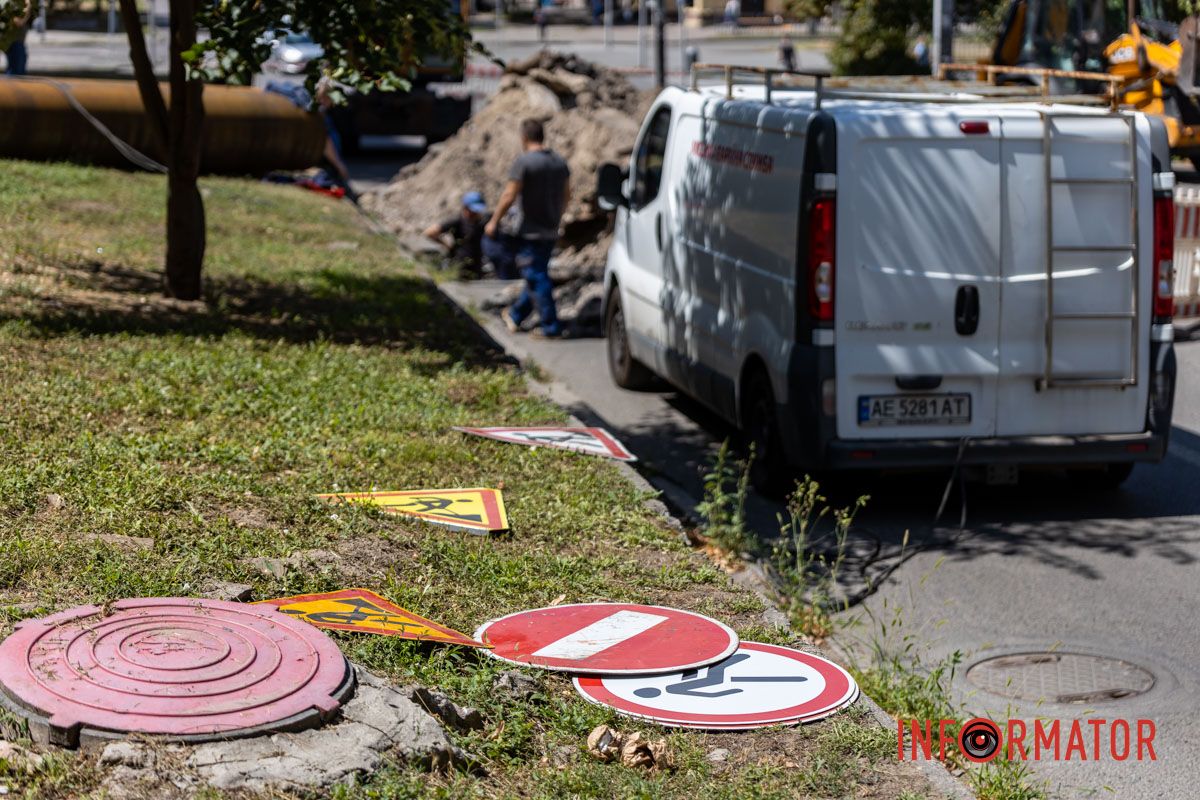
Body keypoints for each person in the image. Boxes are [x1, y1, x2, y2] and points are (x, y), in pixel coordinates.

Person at [486, 119, 570, 338]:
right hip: (551, 228)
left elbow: (509, 194)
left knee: (536, 275)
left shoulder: (524, 162)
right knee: (536, 273)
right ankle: (516, 314)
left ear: (524, 137)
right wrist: (558, 217)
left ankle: (550, 326)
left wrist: (494, 220)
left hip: (529, 230)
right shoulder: (559, 162)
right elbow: (567, 195)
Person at [424, 191, 489, 278]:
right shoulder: (458, 221)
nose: (476, 213)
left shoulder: (481, 222)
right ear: (465, 208)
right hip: (460, 266)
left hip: (477, 266)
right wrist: (446, 244)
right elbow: (430, 232)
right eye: (473, 211)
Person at [4, 1, 32, 76]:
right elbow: (18, 22)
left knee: (16, 71)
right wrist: (28, 8)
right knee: (16, 73)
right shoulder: (14, 3)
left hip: (15, 41)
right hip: (15, 42)